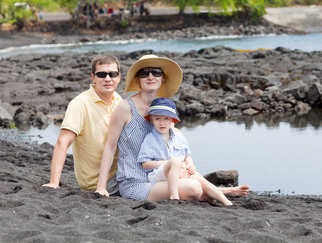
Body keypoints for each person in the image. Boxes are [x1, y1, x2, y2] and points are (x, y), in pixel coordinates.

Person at [96, 55, 249, 201]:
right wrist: (101, 187)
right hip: (135, 182)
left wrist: (189, 161)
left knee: (192, 184)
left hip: (162, 175)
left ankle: (223, 191)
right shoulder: (124, 107)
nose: (150, 76)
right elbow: (110, 147)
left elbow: (173, 148)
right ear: (137, 79)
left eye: (156, 72)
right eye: (144, 73)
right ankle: (223, 191)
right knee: (194, 188)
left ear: (163, 78)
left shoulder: (164, 109)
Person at [43, 54, 122, 194]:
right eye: (102, 74)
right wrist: (54, 182)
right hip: (100, 183)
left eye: (112, 74)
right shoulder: (80, 104)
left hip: (120, 171)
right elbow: (63, 142)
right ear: (93, 77)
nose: (108, 79)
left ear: (119, 77)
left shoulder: (118, 99)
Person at [139, 97, 233, 205]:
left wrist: (190, 164)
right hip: (160, 173)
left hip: (180, 171)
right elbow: (145, 164)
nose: (161, 123)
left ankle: (226, 202)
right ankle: (174, 197)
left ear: (172, 120)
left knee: (200, 179)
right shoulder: (150, 139)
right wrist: (168, 163)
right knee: (176, 161)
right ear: (151, 120)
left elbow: (187, 156)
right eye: (157, 119)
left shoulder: (179, 137)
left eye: (166, 119)